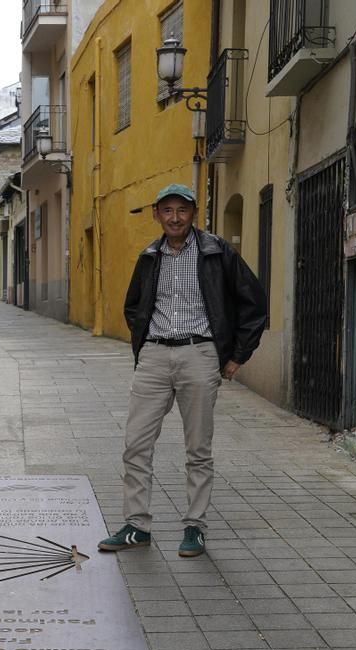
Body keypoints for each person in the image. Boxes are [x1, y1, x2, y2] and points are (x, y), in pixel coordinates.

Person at [98, 183, 267, 557]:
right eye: (168, 211)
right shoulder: (149, 256)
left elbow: (253, 303)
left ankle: (195, 527)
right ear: (157, 214)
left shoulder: (217, 252)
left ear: (194, 214)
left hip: (199, 353)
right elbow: (134, 307)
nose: (175, 218)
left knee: (198, 449)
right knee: (136, 444)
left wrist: (237, 355)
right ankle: (137, 526)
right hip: (155, 357)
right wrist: (146, 347)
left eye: (182, 211)